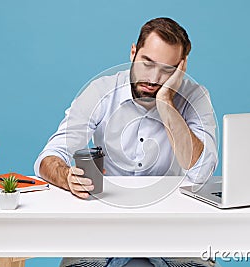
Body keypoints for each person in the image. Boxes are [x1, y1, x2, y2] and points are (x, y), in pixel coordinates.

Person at [34, 17, 218, 267]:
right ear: (133, 52)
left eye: (167, 70)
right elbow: (49, 157)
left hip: (174, 232)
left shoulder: (195, 97)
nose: (153, 78)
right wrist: (66, 176)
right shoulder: (100, 92)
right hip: (102, 232)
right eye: (147, 63)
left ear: (180, 69)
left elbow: (201, 171)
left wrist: (166, 103)